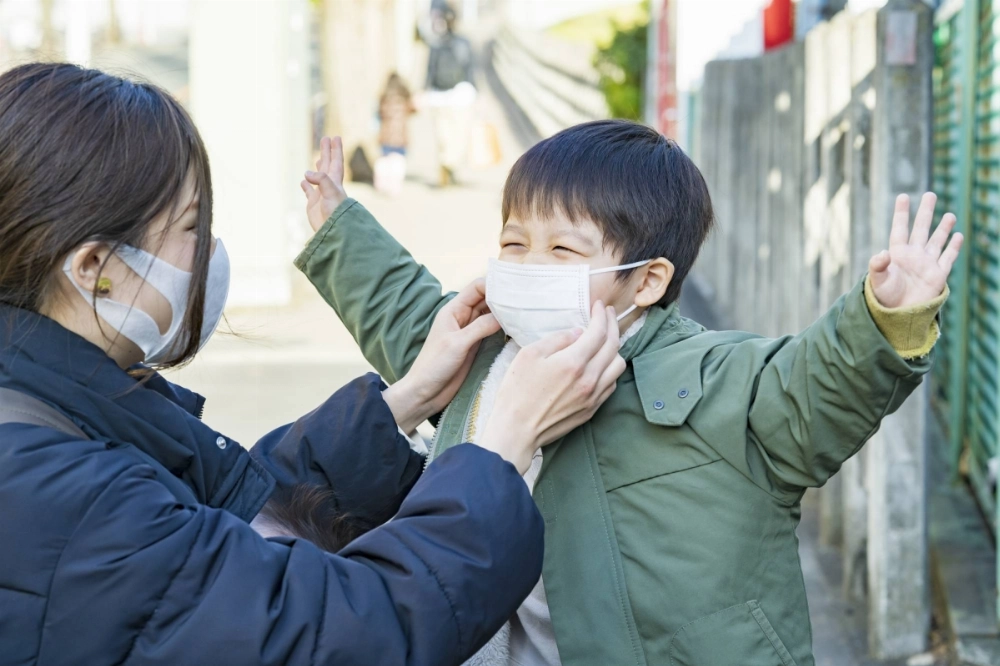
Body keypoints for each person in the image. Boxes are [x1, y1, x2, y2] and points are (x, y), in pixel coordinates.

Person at [0, 63, 626, 666]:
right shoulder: (54, 490)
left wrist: (405, 400)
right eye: (192, 226)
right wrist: (502, 443)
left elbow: (229, 508)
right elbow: (343, 630)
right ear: (92, 270)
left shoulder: (58, 408)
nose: (213, 250)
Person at [297, 120, 964, 666]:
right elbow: (406, 309)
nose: (527, 267)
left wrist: (883, 319)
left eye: (562, 250)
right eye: (513, 241)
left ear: (644, 283)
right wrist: (340, 228)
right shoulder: (479, 351)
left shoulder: (717, 378)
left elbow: (820, 387)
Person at [422, 4, 476, 187]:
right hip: (453, 95)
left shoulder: (436, 43)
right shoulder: (461, 42)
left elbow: (430, 70)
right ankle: (448, 166)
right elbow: (469, 68)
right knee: (454, 135)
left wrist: (425, 90)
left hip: (445, 95)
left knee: (445, 135)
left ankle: (447, 167)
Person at [374, 72, 416, 197]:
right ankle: (394, 186)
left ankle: (381, 183)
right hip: (400, 135)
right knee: (398, 160)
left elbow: (379, 113)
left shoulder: (383, 98)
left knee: (384, 159)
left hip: (385, 134)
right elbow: (413, 110)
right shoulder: (405, 98)